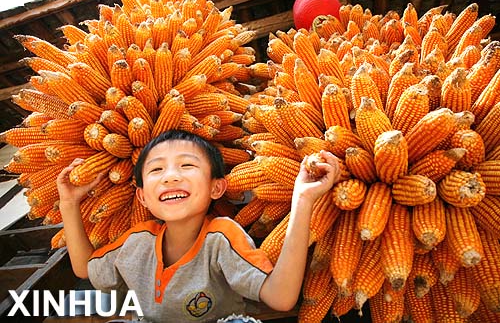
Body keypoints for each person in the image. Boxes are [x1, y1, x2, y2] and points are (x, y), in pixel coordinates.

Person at [56, 129, 341, 322]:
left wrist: (302, 199)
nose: (170, 177)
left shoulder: (222, 237)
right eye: (156, 170)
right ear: (142, 196)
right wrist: (68, 204)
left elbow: (280, 298)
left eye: (187, 166)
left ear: (217, 188)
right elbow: (85, 269)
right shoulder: (136, 242)